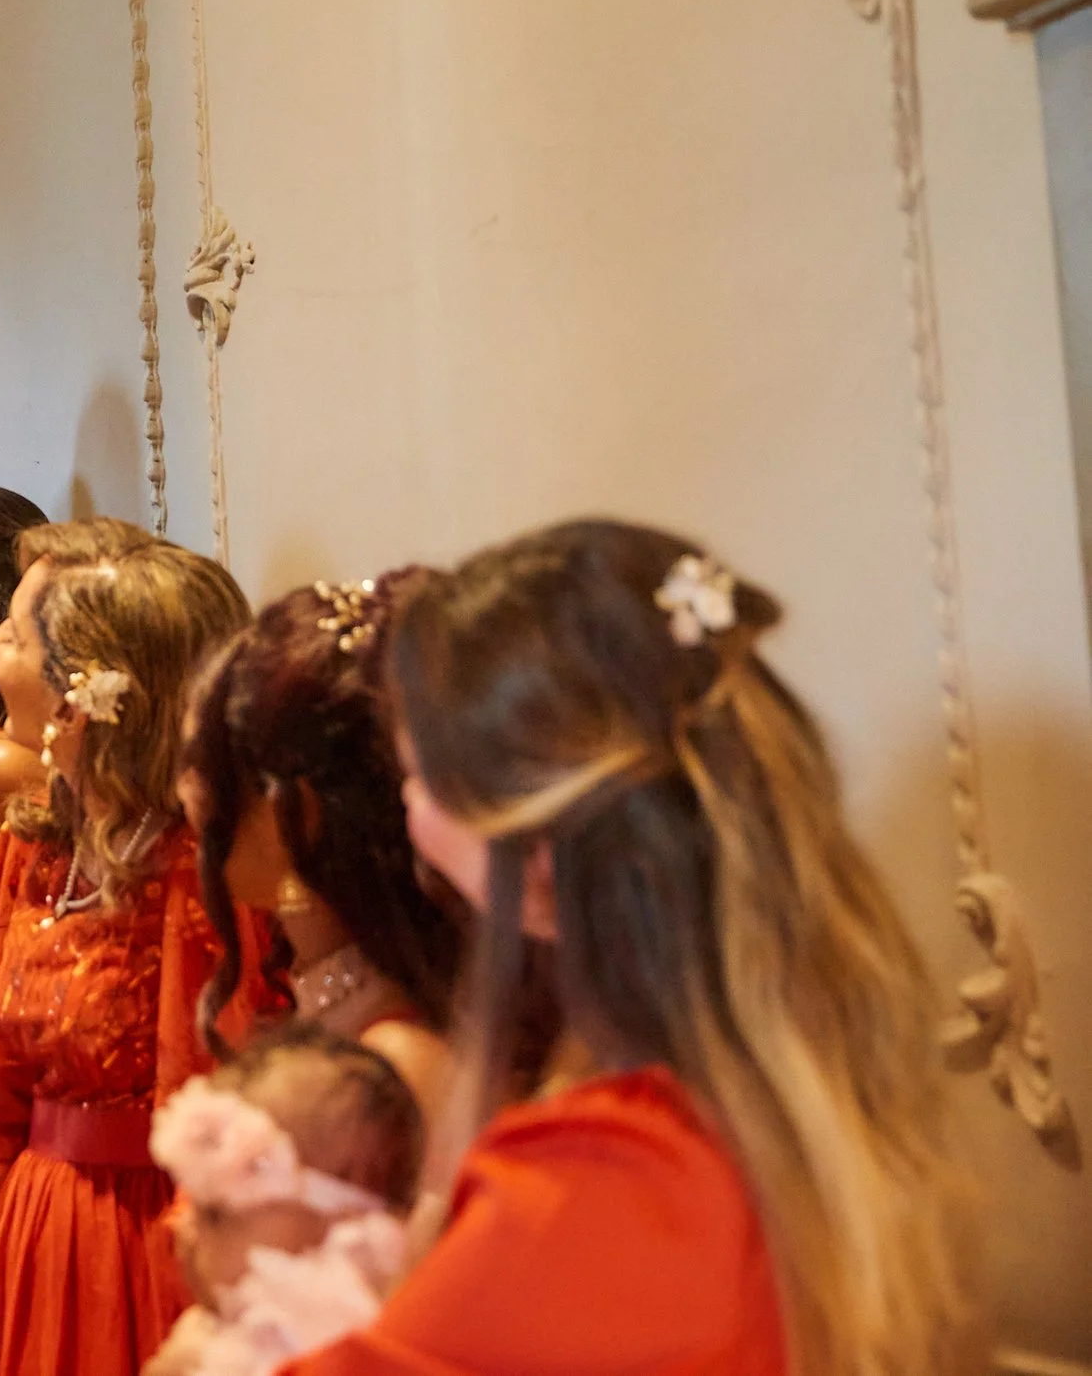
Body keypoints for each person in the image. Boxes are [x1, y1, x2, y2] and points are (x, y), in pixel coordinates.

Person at [281, 519, 983, 1375]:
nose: (408, 816)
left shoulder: (607, 1177)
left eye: (414, 775)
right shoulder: (805, 1082)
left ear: (533, 859)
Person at [0, 519, 251, 1376]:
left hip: (148, 1251)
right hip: (34, 1228)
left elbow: (219, 1117)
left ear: (84, 695)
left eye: (17, 630)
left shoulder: (200, 870)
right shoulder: (31, 847)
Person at [177, 576, 463, 1111]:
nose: (185, 791)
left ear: (298, 813)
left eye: (204, 763)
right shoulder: (325, 993)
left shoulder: (393, 1061)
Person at [145, 1023, 421, 1376]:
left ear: (342, 1224)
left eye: (216, 1214)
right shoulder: (218, 1338)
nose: (182, 1227)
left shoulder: (356, 1352)